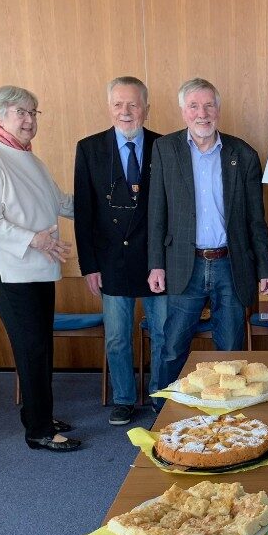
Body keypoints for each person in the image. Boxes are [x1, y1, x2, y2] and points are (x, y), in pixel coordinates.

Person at [0, 85, 80, 452]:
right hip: (11, 272)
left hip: (38, 268)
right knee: (31, 349)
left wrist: (105, 202)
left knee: (40, 346)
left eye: (34, 112)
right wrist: (35, 240)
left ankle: (38, 413)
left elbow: (59, 202)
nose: (30, 120)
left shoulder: (28, 156)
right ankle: (39, 431)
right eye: (21, 112)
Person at [147, 78, 268, 383]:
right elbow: (156, 213)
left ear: (218, 109)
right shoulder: (165, 149)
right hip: (183, 264)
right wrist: (156, 264)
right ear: (183, 111)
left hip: (230, 265)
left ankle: (228, 419)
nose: (201, 113)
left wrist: (265, 268)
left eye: (208, 105)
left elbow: (256, 218)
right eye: (194, 106)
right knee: (172, 346)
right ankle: (163, 412)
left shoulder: (243, 154)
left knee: (231, 351)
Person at [74, 76, 165, 426]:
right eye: (118, 104)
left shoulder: (165, 146)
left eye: (133, 104)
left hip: (156, 259)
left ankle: (159, 396)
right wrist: (88, 265)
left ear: (146, 107)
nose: (125, 112)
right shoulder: (90, 148)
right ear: (109, 107)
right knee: (117, 337)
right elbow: (84, 213)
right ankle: (124, 398)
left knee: (161, 333)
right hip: (110, 260)